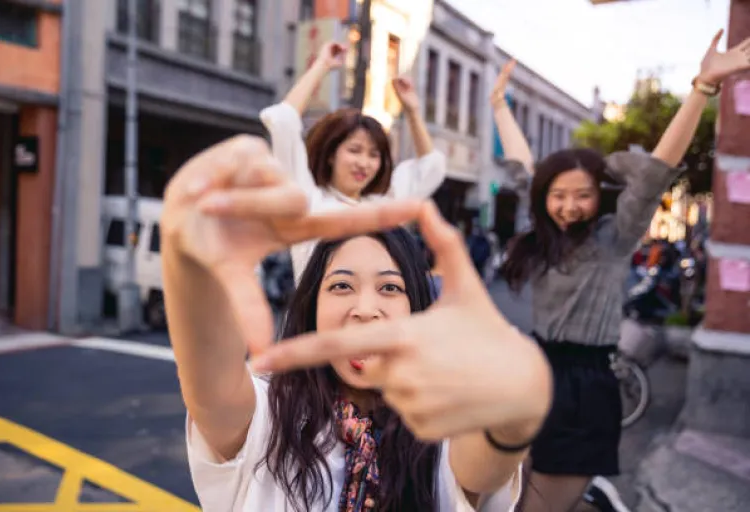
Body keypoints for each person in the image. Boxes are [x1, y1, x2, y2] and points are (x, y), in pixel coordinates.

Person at [161, 134, 552, 511]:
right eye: (342, 285)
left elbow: (482, 465)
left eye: (390, 288)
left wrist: (519, 400)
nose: (365, 309)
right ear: (312, 306)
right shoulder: (267, 417)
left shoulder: (444, 422)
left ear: (417, 306)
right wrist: (191, 265)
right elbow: (210, 378)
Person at [490, 30, 750, 512]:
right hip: (534, 374)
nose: (568, 206)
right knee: (509, 497)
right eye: (558, 195)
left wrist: (702, 87)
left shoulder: (614, 235)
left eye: (581, 195)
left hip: (586, 387)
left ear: (600, 197)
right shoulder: (543, 234)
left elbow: (654, 172)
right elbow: (522, 164)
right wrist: (499, 104)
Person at [260, 41, 446, 281]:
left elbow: (430, 168)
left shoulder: (382, 205)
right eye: (355, 150)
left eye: (373, 154)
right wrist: (322, 65)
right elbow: (283, 122)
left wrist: (412, 112)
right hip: (318, 318)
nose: (364, 163)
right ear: (330, 155)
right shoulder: (308, 200)